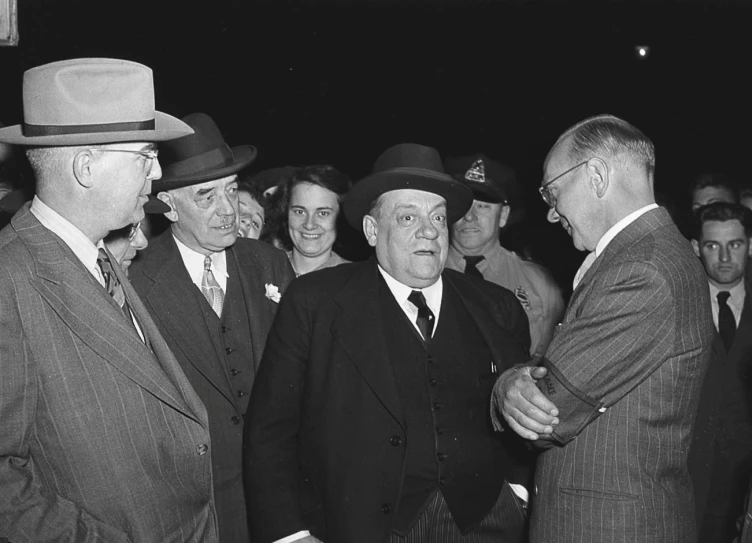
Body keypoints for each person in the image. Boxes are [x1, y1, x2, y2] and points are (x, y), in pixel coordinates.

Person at [244, 143, 532, 543]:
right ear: (372, 230)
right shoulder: (315, 302)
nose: (429, 230)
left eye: (437, 217)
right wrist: (289, 534)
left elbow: (521, 404)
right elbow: (271, 431)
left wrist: (517, 490)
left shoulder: (496, 306)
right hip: (364, 527)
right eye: (409, 216)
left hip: (486, 521)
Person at [0, 58, 219, 542]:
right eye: (145, 155)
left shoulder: (100, 258)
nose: (158, 172)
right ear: (86, 167)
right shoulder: (9, 280)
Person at [493, 114, 714, 542]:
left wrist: (504, 386)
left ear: (595, 175)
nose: (552, 214)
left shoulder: (642, 268)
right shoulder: (646, 255)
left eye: (553, 193)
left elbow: (547, 413)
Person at [128, 112, 296, 543]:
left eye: (231, 191)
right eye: (207, 196)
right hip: (195, 505)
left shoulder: (270, 264)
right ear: (168, 205)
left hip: (279, 492)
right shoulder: (137, 281)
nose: (229, 212)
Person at [446, 157, 564, 356]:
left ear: (503, 215)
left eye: (482, 206)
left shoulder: (540, 284)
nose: (469, 216)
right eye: (463, 205)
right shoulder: (423, 274)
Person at [689, 202, 752, 542]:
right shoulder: (678, 301)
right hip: (692, 478)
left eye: (736, 244)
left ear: (751, 244)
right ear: (696, 247)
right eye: (713, 245)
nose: (725, 257)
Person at [266, 164, 352, 275]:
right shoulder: (265, 271)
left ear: (340, 217)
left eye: (322, 213)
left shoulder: (355, 280)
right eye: (300, 212)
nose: (309, 225)